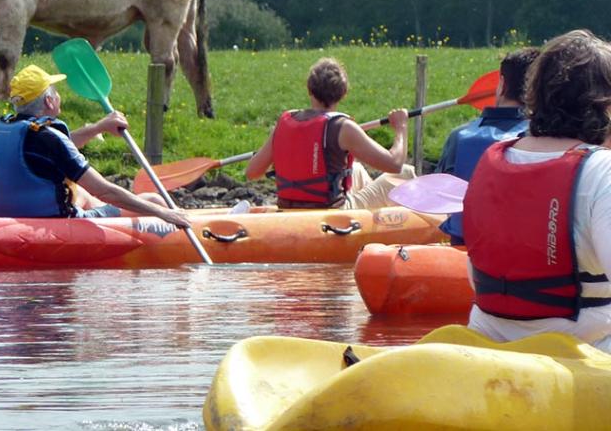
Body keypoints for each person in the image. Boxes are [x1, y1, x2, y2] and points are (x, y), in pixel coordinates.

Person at [463, 29, 611, 352]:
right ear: (605, 107)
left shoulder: (494, 158)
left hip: (487, 344)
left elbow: (474, 275)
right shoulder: (602, 172)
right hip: (584, 354)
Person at [0, 64, 192, 229]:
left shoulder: (7, 127)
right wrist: (162, 213)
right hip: (56, 222)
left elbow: (57, 151)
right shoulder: (48, 138)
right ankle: (178, 219)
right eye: (55, 92)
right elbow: (105, 191)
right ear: (49, 101)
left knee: (82, 192)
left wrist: (97, 127)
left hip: (11, 211)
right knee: (154, 199)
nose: (58, 96)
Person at [245, 57, 414, 210]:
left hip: (289, 209)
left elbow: (252, 172)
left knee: (356, 170)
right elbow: (394, 163)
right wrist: (401, 126)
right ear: (343, 93)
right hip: (331, 215)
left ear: (309, 89)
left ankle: (374, 221)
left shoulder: (284, 123)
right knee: (404, 173)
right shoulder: (343, 127)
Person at [435, 47, 540, 245]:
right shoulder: (543, 139)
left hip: (464, 249)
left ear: (501, 84)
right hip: (521, 252)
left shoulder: (459, 136)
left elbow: (440, 194)